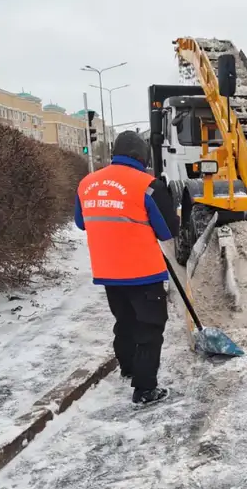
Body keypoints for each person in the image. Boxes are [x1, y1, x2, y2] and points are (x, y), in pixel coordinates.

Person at [74, 130, 180, 405]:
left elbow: (81, 222)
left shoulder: (87, 184)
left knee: (125, 322)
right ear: (141, 156)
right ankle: (145, 390)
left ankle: (128, 368)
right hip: (144, 273)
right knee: (149, 328)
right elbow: (168, 231)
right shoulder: (148, 186)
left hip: (108, 272)